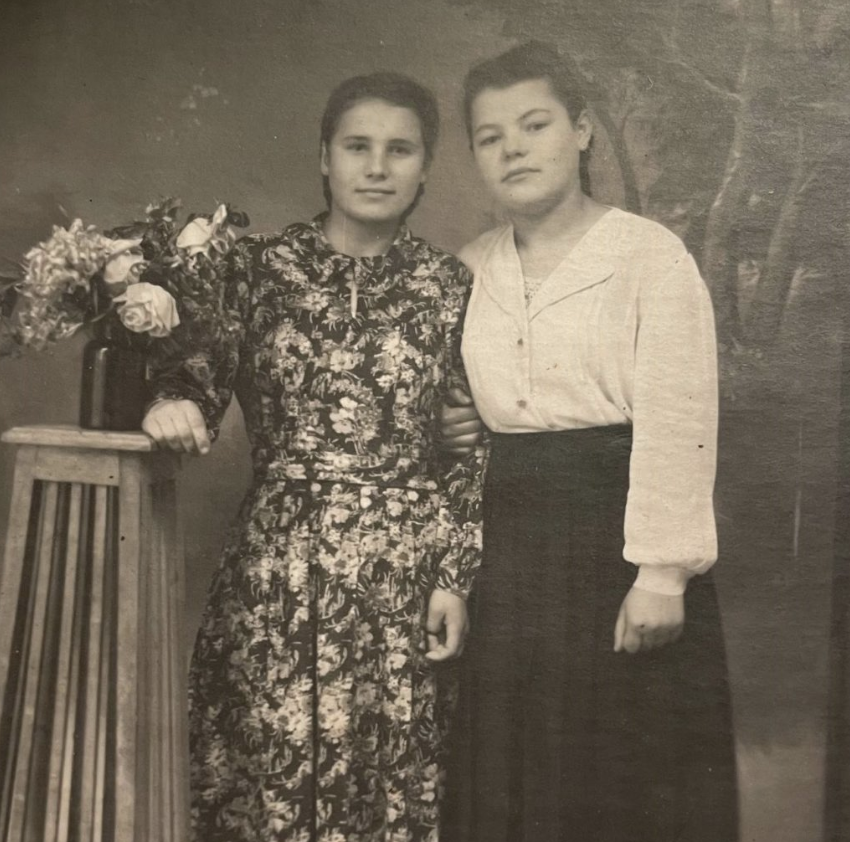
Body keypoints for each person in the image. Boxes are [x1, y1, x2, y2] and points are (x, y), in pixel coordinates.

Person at [143, 72, 482, 842]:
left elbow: (471, 449)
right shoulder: (258, 269)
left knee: (388, 795)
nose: (377, 167)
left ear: (426, 168)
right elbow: (197, 369)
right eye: (357, 146)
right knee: (269, 786)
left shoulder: (449, 288)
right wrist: (174, 401)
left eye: (400, 150)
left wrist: (453, 577)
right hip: (279, 578)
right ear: (325, 157)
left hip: (402, 583)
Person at [441, 42, 739, 842]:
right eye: (490, 136)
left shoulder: (647, 256)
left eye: (534, 125)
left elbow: (680, 415)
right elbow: (455, 402)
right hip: (510, 554)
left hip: (617, 539)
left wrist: (662, 574)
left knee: (622, 776)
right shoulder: (467, 270)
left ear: (581, 131)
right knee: (524, 770)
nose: (513, 148)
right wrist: (454, 420)